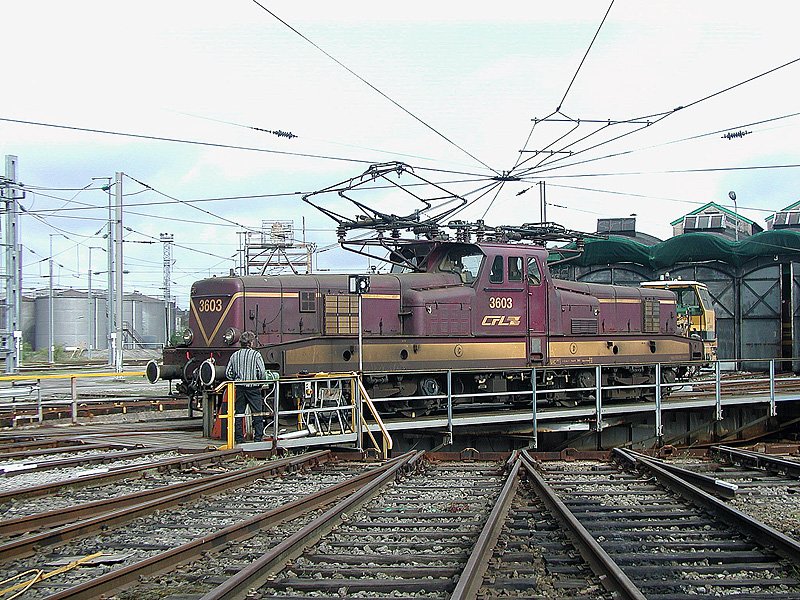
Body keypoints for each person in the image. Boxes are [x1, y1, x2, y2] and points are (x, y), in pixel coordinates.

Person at [225, 331, 267, 443]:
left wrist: (236, 379)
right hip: (253, 388)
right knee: (257, 413)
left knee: (239, 413)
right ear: (251, 342)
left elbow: (228, 373)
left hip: (240, 388)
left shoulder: (235, 355)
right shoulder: (256, 355)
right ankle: (258, 438)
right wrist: (260, 383)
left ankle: (239, 438)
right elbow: (262, 372)